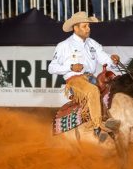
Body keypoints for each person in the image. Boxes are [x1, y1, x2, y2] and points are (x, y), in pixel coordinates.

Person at [48, 11, 120, 142]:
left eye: (89, 26)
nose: (88, 29)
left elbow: (104, 58)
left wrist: (112, 60)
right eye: (84, 26)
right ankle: (98, 128)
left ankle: (108, 118)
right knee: (93, 91)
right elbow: (51, 68)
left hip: (91, 78)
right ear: (75, 28)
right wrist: (70, 68)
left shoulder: (92, 44)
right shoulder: (64, 46)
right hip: (74, 81)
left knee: (113, 85)